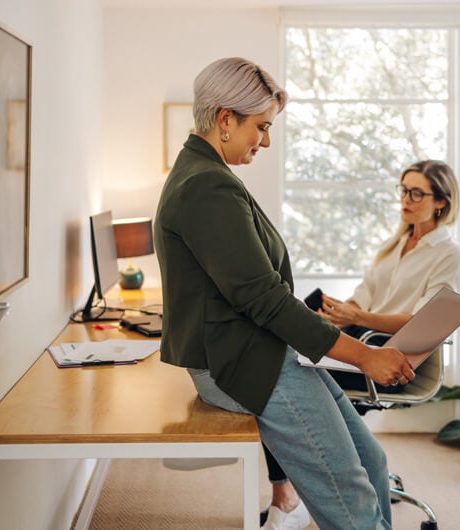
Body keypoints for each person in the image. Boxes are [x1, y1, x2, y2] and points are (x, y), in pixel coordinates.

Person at [153, 57, 413, 530]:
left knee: (371, 464)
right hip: (242, 364)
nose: (266, 141)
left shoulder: (206, 174)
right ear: (226, 118)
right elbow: (263, 298)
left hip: (263, 352)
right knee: (349, 493)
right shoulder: (206, 185)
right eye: (262, 127)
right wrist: (363, 357)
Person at [259, 160, 460, 525]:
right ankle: (291, 491)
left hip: (401, 360)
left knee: (282, 381)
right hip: (365, 344)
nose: (405, 199)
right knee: (279, 353)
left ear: (442, 202)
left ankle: (290, 495)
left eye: (416, 192)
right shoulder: (394, 246)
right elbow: (363, 297)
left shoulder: (450, 255)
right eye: (403, 190)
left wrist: (357, 319)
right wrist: (338, 315)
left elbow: (426, 320)